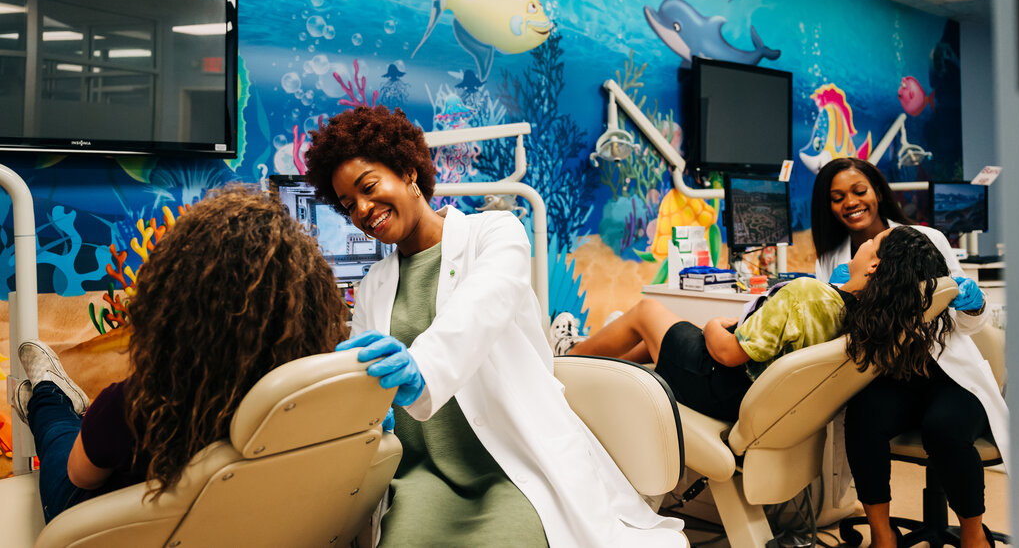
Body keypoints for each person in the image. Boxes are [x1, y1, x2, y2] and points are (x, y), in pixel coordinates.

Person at [303, 105, 687, 547]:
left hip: (511, 466)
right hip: (422, 476)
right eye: (349, 204)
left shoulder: (495, 234)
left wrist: (421, 368)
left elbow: (480, 308)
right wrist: (362, 403)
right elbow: (365, 380)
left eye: (368, 188)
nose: (364, 210)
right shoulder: (373, 287)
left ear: (409, 171)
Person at [10, 185, 348, 522]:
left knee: (58, 433)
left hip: (121, 534)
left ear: (175, 301)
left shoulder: (136, 403)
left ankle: (48, 393)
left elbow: (79, 477)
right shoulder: (307, 398)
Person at [811, 158, 1007, 548]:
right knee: (863, 418)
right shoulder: (831, 259)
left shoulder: (927, 239)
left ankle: (973, 534)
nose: (850, 202)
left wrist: (970, 303)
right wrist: (837, 295)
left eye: (858, 190)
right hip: (888, 374)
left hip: (946, 374)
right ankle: (884, 534)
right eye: (837, 197)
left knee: (944, 428)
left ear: (878, 192)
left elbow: (967, 323)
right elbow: (831, 331)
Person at [551, 227, 891, 422]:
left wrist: (715, 325)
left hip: (722, 385)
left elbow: (728, 354)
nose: (865, 240)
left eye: (872, 242)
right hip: (753, 392)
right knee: (670, 329)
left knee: (647, 310)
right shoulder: (860, 315)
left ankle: (569, 355)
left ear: (873, 265)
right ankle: (598, 362)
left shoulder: (808, 293)